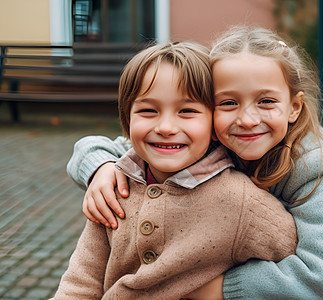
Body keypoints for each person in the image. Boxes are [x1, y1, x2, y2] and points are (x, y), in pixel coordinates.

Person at [66, 27, 323, 299]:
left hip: (314, 264)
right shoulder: (208, 139)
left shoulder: (313, 161)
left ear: (294, 107)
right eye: (228, 103)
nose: (246, 119)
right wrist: (101, 167)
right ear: (210, 110)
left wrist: (221, 290)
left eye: (266, 101)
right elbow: (114, 148)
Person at [52, 41, 299, 299]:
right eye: (148, 110)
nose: (166, 127)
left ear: (214, 123)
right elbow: (80, 283)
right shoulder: (114, 187)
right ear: (127, 118)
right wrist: (100, 168)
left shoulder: (243, 202)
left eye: (187, 111)